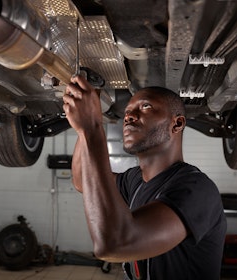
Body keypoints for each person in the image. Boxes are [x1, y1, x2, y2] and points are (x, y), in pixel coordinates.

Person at [63, 74, 227, 280]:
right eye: (128, 111)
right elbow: (81, 181)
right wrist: (82, 130)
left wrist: (92, 128)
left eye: (146, 107)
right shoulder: (135, 181)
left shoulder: (196, 189)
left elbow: (115, 245)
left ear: (176, 124)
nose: (129, 116)